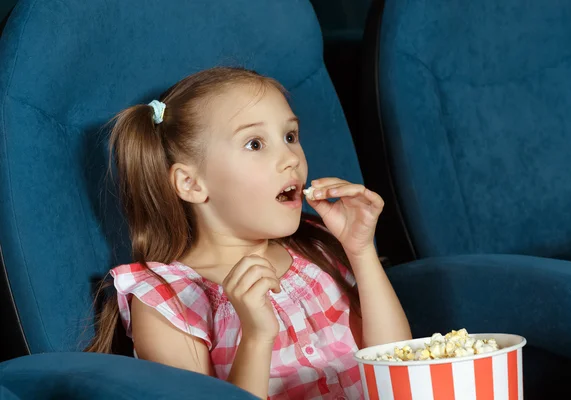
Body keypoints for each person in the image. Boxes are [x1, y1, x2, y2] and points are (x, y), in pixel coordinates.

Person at [85, 66, 411, 399]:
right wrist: (256, 336)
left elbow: (398, 366)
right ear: (191, 183)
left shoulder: (319, 248)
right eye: (255, 144)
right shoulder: (168, 301)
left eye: (290, 136)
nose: (290, 158)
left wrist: (361, 251)